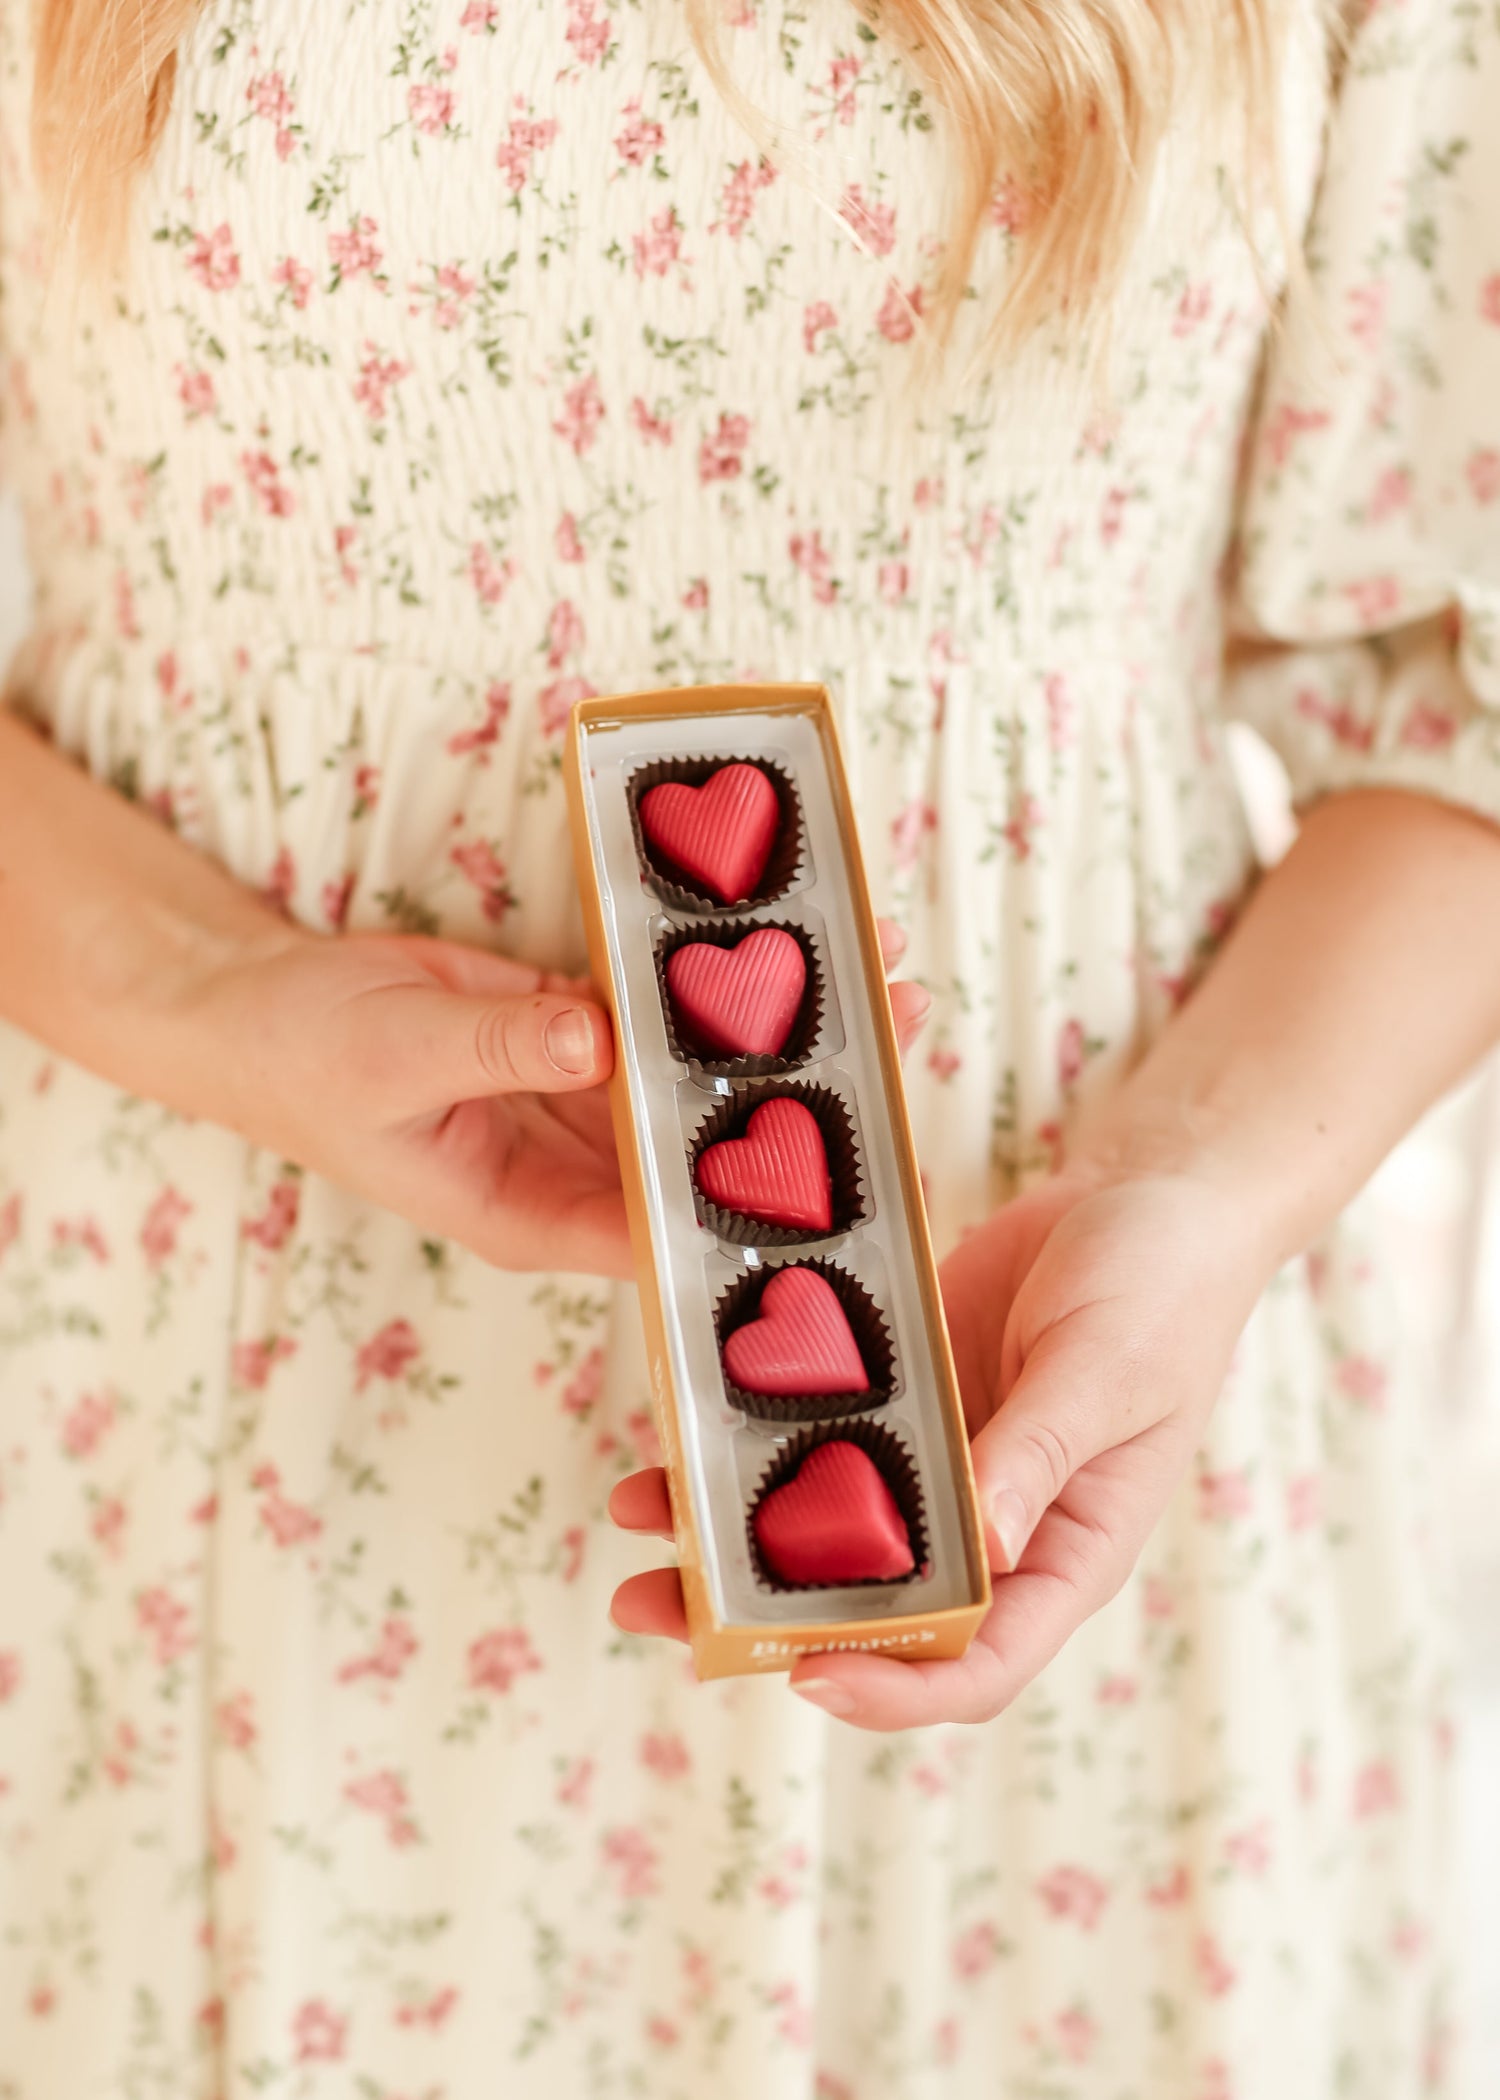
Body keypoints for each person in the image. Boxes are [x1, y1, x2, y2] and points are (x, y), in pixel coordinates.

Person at [0, 0, 1496, 2092]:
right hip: (212, 1413)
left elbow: (1465, 690)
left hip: (1053, 1412)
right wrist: (188, 992)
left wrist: (1202, 1188)